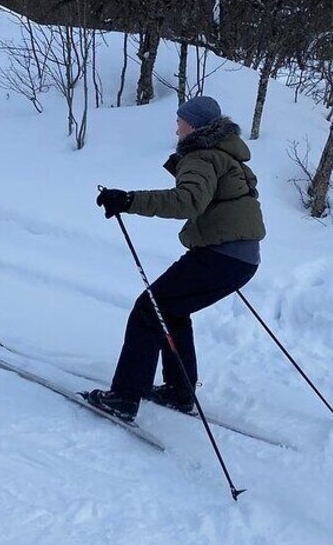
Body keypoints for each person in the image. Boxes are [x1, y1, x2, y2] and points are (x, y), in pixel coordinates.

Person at [84, 96, 265, 422]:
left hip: (222, 256)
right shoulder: (226, 156)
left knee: (148, 309)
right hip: (240, 258)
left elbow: (187, 201)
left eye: (181, 121)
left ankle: (124, 398)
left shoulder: (202, 156)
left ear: (194, 125)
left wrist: (128, 200)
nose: (176, 127)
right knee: (169, 310)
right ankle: (179, 392)